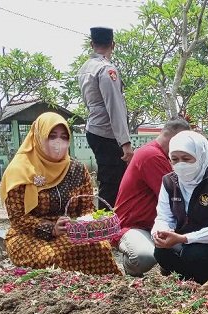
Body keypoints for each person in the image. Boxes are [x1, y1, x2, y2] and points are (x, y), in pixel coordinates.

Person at [0, 112, 119, 275]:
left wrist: (83, 225)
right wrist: (51, 229)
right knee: (53, 258)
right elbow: (18, 218)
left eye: (64, 137)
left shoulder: (77, 169)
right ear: (38, 137)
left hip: (73, 232)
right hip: (30, 235)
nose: (59, 142)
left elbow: (86, 208)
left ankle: (102, 293)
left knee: (101, 249)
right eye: (52, 136)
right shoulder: (20, 171)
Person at [151, 130, 208, 284]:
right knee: (161, 251)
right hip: (185, 244)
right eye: (174, 159)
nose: (180, 164)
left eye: (186, 159)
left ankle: (206, 279)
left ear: (201, 157)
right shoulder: (169, 182)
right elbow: (164, 216)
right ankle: (188, 281)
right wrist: (160, 232)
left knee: (194, 254)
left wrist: (184, 238)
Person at [113, 119, 190, 277]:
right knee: (143, 258)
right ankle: (130, 266)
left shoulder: (159, 154)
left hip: (155, 226)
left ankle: (167, 265)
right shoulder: (152, 156)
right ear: (176, 138)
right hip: (133, 226)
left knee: (193, 252)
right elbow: (176, 197)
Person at [77, 26, 133, 210]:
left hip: (93, 129)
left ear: (92, 44)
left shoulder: (85, 68)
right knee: (113, 183)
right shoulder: (106, 69)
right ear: (113, 45)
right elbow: (114, 106)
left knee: (108, 179)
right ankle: (105, 228)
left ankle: (106, 224)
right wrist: (125, 142)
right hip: (108, 133)